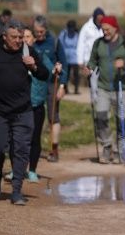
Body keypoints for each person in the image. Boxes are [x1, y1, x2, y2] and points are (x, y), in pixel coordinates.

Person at [0, 20, 49, 204]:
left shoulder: (27, 51)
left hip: (23, 111)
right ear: (4, 37)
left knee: (21, 151)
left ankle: (17, 190)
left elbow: (44, 74)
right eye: (14, 37)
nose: (18, 41)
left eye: (20, 37)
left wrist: (33, 66)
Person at [85, 15, 125, 164]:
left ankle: (119, 149)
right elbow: (93, 61)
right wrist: (89, 68)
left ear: (115, 28)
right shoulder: (98, 43)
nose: (105, 32)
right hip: (103, 87)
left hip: (122, 87)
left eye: (107, 29)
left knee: (121, 119)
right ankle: (106, 146)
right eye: (103, 30)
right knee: (101, 116)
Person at [22, 25, 56, 182]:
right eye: (22, 37)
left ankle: (33, 170)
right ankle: (19, 169)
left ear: (33, 39)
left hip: (36, 103)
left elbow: (49, 72)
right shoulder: (15, 56)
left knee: (35, 138)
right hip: (19, 105)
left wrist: (57, 70)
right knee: (19, 139)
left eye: (28, 37)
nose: (25, 39)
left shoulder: (40, 55)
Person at [32, 16, 68, 163]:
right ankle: (33, 148)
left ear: (46, 29)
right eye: (36, 32)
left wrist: (62, 86)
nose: (38, 34)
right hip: (36, 84)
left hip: (52, 83)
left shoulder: (54, 42)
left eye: (41, 31)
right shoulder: (31, 42)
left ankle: (54, 149)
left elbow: (64, 63)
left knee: (53, 117)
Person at [77, 7, 105, 74]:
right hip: (89, 60)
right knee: (92, 81)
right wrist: (80, 61)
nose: (99, 20)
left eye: (101, 18)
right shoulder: (86, 27)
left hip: (102, 60)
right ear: (95, 17)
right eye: (98, 18)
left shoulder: (105, 27)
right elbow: (81, 44)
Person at [58, 20, 81, 94]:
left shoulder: (77, 34)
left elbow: (80, 45)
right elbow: (60, 43)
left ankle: (76, 89)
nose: (71, 30)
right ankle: (65, 88)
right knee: (66, 74)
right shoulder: (63, 34)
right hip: (66, 57)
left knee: (76, 74)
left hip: (75, 57)